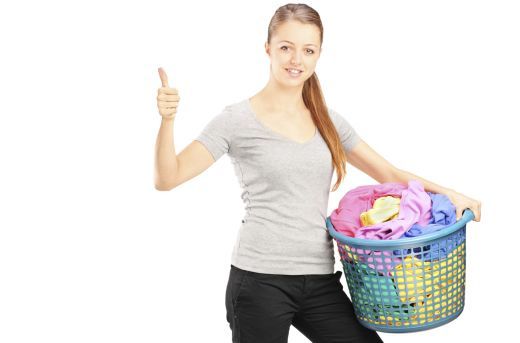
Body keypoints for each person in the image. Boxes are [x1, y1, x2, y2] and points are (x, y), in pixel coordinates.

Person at [154, 3, 481, 342]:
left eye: (307, 50)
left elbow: (387, 172)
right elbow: (168, 177)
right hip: (259, 280)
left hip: (320, 280)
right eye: (286, 48)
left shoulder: (328, 121)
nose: (296, 60)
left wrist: (451, 195)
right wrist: (168, 121)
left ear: (318, 54)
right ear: (268, 48)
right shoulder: (236, 119)